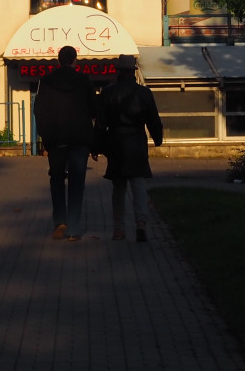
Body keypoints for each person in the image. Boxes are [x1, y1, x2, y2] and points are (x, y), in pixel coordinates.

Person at [94, 54, 163, 242]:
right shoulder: (144, 93)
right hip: (137, 141)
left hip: (116, 141)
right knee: (139, 184)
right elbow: (154, 120)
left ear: (118, 70)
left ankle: (119, 229)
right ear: (133, 71)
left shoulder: (108, 92)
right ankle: (141, 223)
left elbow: (100, 123)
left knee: (118, 188)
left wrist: (96, 146)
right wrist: (158, 139)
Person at [33, 45, 97, 241]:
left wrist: (45, 138)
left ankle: (60, 222)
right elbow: (94, 109)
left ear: (58, 60)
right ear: (74, 60)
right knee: (77, 182)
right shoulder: (83, 80)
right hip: (79, 139)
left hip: (56, 139)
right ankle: (74, 229)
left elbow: (39, 111)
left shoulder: (46, 81)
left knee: (57, 179)